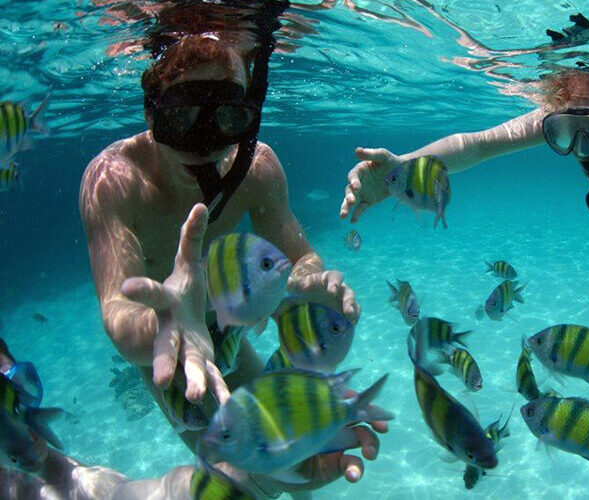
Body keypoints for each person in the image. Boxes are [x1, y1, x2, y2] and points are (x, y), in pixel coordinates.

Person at [78, 34, 384, 497]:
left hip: (229, 329)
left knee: (291, 466)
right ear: (150, 115)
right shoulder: (115, 182)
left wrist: (306, 280)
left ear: (248, 114)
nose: (203, 143)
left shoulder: (256, 167)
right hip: (167, 349)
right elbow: (119, 311)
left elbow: (298, 256)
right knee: (234, 483)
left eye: (226, 117)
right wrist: (166, 325)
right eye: (181, 118)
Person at [340, 65, 589, 263]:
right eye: (566, 133)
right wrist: (400, 168)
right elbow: (481, 145)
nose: (583, 149)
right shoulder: (570, 115)